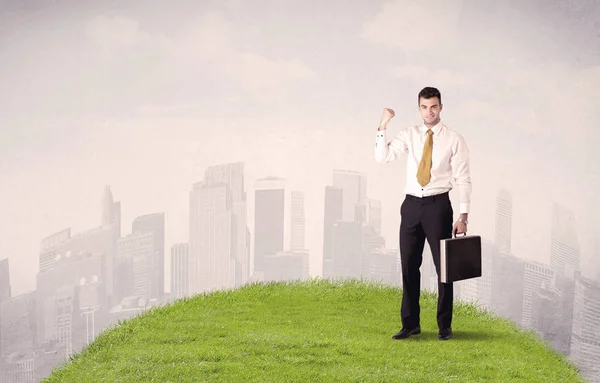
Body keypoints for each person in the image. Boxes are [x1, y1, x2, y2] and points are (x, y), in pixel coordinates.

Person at [374, 86, 471, 341]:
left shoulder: (454, 139)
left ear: (441, 107)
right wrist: (382, 126)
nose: (429, 112)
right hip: (411, 206)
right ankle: (410, 324)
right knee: (408, 266)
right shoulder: (410, 134)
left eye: (434, 106)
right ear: (419, 108)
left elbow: (463, 179)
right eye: (424, 107)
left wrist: (463, 217)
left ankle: (444, 326)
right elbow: (382, 157)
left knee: (444, 269)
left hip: (438, 206)